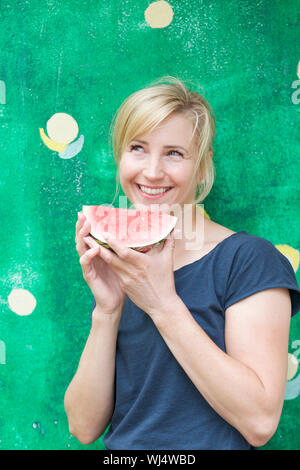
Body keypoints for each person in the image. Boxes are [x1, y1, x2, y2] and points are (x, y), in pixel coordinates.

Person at [64, 76, 300, 450]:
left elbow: (260, 422)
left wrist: (162, 304)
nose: (153, 172)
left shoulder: (250, 261)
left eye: (174, 153)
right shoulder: (122, 261)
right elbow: (83, 425)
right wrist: (107, 310)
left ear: (202, 166)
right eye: (137, 148)